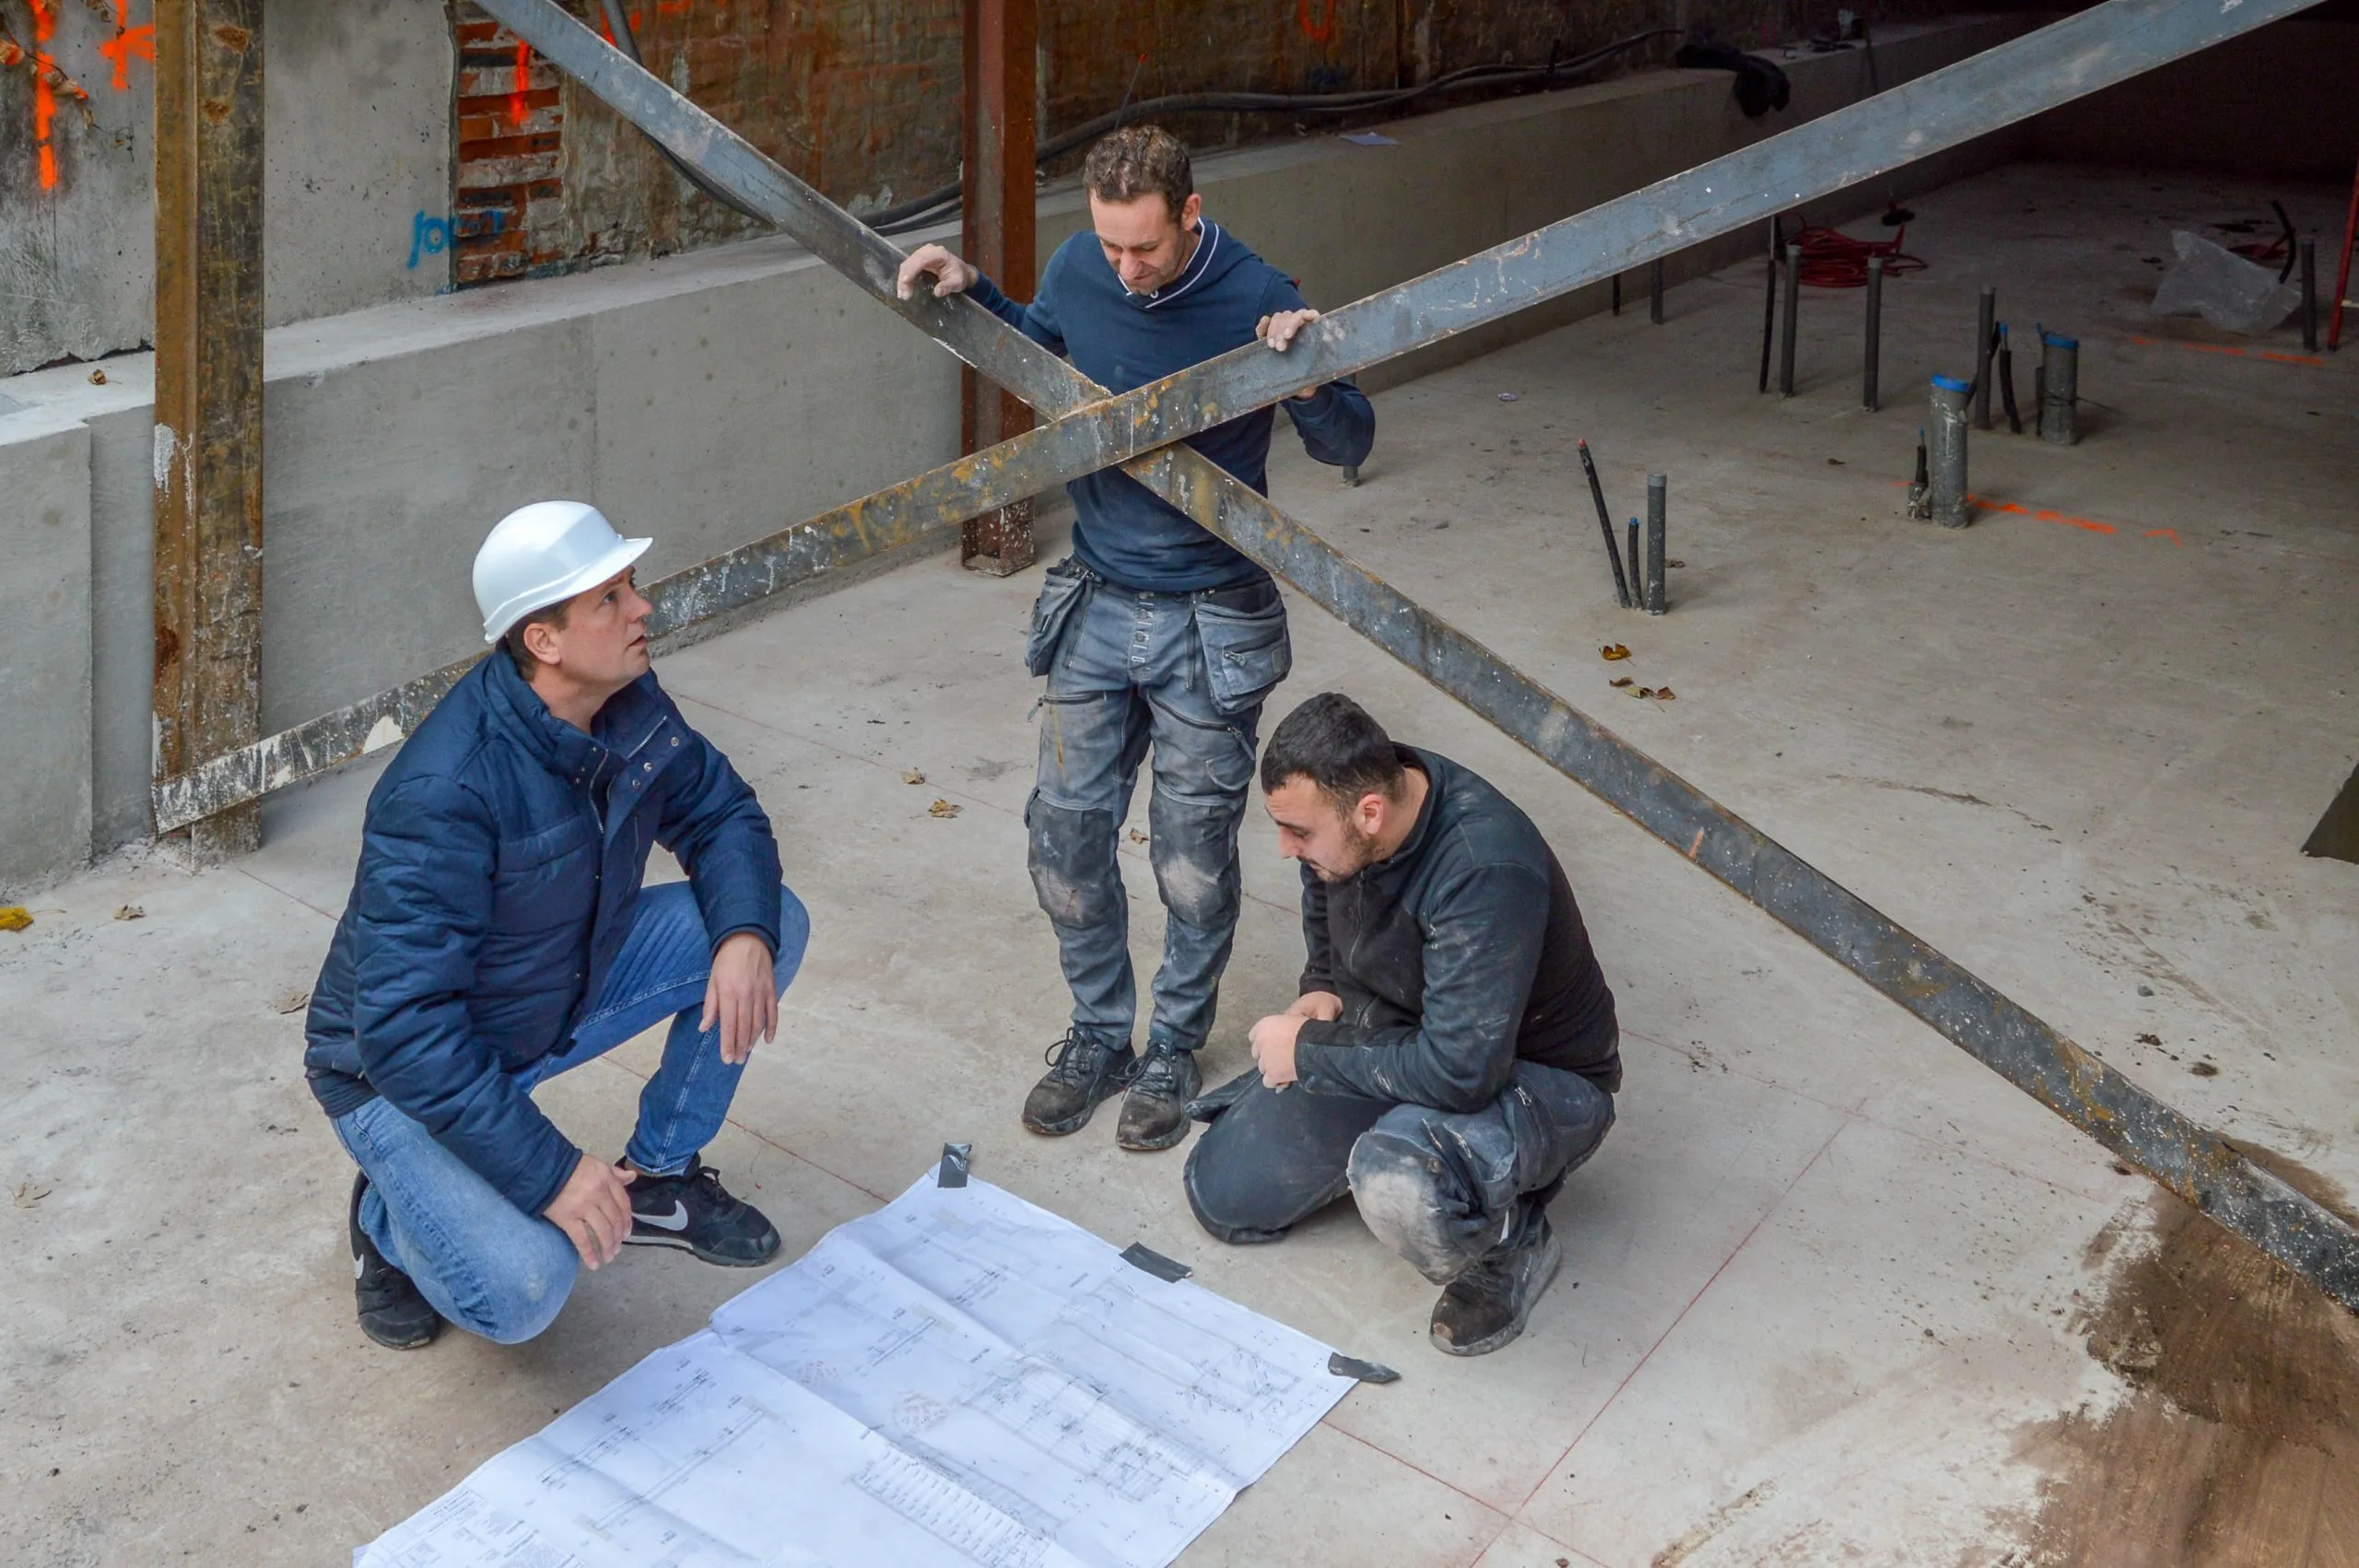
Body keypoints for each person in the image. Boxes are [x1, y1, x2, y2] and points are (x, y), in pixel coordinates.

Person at [895, 124, 1376, 1153]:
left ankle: (1172, 1047)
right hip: (1098, 600)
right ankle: (1099, 1036)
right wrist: (972, 292)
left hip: (1212, 613)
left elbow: (1351, 438)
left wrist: (1309, 375)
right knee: (1063, 841)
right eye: (1110, 244)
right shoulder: (1083, 265)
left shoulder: (1255, 291)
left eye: (1145, 247)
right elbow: (1041, 343)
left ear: (1190, 214)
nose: (1124, 268)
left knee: (1192, 861)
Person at [302, 500, 808, 1350]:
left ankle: (660, 1177)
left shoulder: (626, 704)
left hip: (554, 991)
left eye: (630, 585)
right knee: (523, 1289)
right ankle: (389, 1220)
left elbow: (721, 813)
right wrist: (555, 1174)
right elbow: (402, 1028)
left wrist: (743, 936)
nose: (642, 607)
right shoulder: (442, 791)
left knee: (769, 921)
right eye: (610, 598)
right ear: (544, 640)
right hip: (393, 1073)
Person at [1182, 693, 1622, 1356]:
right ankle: (1383, 1119)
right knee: (1224, 1194)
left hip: (1531, 1078)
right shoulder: (1364, 806)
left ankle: (1510, 1241)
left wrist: (1311, 1054)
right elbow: (1322, 881)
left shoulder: (1483, 868)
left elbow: (1462, 1072)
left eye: (1298, 832)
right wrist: (1322, 985)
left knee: (1399, 1179)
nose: (1284, 848)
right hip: (1401, 1033)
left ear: (1370, 813)